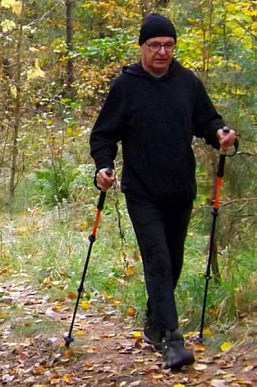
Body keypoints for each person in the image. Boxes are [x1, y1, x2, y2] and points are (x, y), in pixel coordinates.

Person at [90, 13, 238, 371]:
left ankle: (155, 324)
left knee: (173, 262)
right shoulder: (126, 86)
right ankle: (173, 340)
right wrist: (103, 166)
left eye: (168, 45)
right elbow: (103, 134)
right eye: (155, 45)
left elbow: (208, 120)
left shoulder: (187, 82)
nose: (162, 51)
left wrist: (221, 133)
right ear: (142, 46)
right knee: (157, 261)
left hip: (180, 189)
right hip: (141, 191)